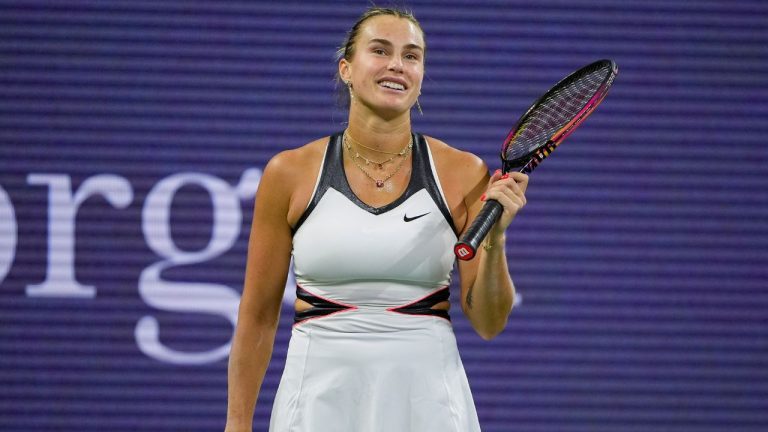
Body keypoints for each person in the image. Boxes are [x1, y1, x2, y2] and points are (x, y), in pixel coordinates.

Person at [225, 7, 528, 432]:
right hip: (316, 402)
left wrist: (496, 237)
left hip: (429, 403)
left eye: (411, 55)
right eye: (380, 50)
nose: (397, 66)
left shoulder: (463, 173)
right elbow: (257, 315)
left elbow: (489, 322)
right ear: (346, 69)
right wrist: (237, 424)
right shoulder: (288, 173)